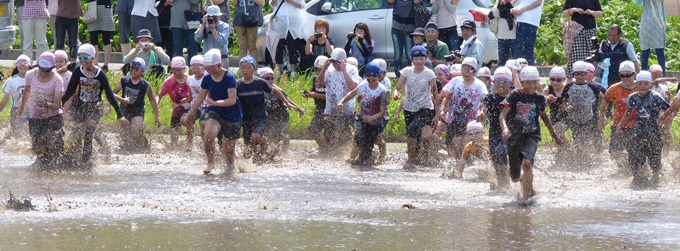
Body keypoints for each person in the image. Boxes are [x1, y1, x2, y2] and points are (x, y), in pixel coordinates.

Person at [500, 66, 560, 203]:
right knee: (514, 178)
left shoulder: (539, 98)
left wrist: (554, 134)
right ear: (522, 82)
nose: (532, 86)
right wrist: (505, 129)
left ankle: (525, 200)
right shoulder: (514, 95)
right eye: (528, 83)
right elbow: (502, 116)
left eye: (535, 82)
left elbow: (544, 116)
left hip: (531, 136)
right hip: (513, 138)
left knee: (527, 163)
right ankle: (526, 183)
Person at [62, 44, 125, 167]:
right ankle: (73, 158)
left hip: (95, 107)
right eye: (80, 58)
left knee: (89, 134)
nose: (82, 61)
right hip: (80, 107)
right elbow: (70, 91)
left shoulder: (100, 75)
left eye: (85, 58)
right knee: (77, 133)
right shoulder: (77, 72)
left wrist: (120, 115)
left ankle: (86, 163)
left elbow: (110, 95)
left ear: (92, 58)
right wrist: (61, 105)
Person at [184, 49, 242, 175]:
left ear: (219, 65)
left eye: (212, 68)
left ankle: (230, 167)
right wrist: (190, 114)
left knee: (228, 150)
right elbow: (200, 97)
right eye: (207, 68)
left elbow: (232, 100)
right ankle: (210, 162)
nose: (209, 71)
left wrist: (216, 102)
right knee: (209, 133)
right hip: (215, 111)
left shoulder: (229, 77)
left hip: (232, 114)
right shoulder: (207, 78)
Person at [616, 71, 669, 189]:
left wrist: (666, 127)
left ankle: (656, 176)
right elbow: (628, 112)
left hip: (654, 130)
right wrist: (620, 126)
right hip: (639, 130)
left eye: (646, 83)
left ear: (650, 84)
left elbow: (668, 111)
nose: (643, 86)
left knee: (654, 155)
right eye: (640, 84)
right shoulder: (633, 97)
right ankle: (638, 177)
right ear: (636, 84)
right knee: (635, 154)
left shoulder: (656, 96)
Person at [14, 52, 64, 168]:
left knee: (55, 144)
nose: (43, 72)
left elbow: (57, 105)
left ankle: (56, 165)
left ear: (52, 68)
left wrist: (46, 104)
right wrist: (21, 108)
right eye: (41, 69)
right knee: (37, 144)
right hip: (35, 113)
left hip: (53, 115)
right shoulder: (30, 74)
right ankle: (41, 164)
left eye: (46, 70)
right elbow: (27, 91)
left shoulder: (57, 79)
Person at [237, 56, 291, 162]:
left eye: (249, 67)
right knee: (248, 143)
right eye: (243, 67)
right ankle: (258, 154)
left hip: (260, 116)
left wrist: (287, 102)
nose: (246, 70)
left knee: (255, 136)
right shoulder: (237, 84)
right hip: (245, 118)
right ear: (240, 69)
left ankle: (263, 150)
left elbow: (275, 91)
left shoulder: (260, 83)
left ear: (255, 69)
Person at [393, 46, 439, 169]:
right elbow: (397, 87)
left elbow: (435, 93)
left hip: (425, 107)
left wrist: (437, 114)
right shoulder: (406, 71)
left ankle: (411, 160)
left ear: (425, 59)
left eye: (421, 59)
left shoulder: (429, 73)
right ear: (412, 59)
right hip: (409, 108)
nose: (419, 61)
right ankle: (417, 157)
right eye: (416, 59)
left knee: (413, 130)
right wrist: (396, 93)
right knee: (413, 136)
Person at [337, 62, 388, 166]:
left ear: (379, 76)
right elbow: (352, 93)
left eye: (374, 75)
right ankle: (354, 157)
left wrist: (370, 118)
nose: (371, 78)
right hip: (362, 117)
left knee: (372, 142)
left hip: (376, 121)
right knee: (358, 137)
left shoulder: (382, 91)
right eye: (369, 75)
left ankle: (378, 155)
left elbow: (382, 112)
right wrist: (341, 102)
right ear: (365, 76)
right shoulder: (364, 84)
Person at [440, 57, 487, 158]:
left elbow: (484, 100)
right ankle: (455, 167)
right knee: (453, 146)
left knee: (464, 146)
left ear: (474, 71)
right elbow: (447, 96)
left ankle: (467, 167)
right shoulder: (455, 81)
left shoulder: (479, 85)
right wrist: (442, 109)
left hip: (471, 121)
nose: (465, 72)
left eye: (469, 70)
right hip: (454, 118)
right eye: (463, 69)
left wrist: (482, 111)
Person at [475, 66, 513, 190]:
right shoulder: (490, 97)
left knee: (502, 152)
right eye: (498, 81)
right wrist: (482, 114)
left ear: (511, 83)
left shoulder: (514, 97)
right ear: (493, 82)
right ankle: (500, 184)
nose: (501, 84)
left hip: (510, 133)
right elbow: (484, 107)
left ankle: (505, 186)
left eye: (505, 81)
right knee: (496, 160)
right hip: (494, 133)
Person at [316, 48, 362, 149]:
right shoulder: (329, 69)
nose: (335, 65)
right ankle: (329, 154)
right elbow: (318, 85)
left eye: (337, 63)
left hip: (347, 110)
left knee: (344, 135)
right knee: (328, 135)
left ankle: (344, 154)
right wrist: (324, 68)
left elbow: (353, 88)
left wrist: (344, 70)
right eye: (333, 62)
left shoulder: (352, 69)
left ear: (343, 61)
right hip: (330, 109)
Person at [112, 58, 161, 151]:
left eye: (136, 69)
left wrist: (156, 117)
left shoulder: (145, 84)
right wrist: (110, 105)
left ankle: (142, 145)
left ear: (142, 71)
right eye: (131, 68)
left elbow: (153, 101)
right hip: (124, 110)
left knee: (135, 129)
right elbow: (112, 94)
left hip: (138, 111)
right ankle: (127, 146)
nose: (133, 71)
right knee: (124, 132)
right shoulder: (124, 80)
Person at [598, 61, 638, 174]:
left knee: (635, 150)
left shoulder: (640, 87)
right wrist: (602, 117)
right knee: (614, 152)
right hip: (618, 124)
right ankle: (624, 168)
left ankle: (635, 168)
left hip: (636, 124)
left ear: (634, 74)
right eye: (622, 75)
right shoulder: (614, 88)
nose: (625, 78)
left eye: (628, 75)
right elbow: (605, 103)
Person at [259, 67, 304, 158]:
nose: (270, 80)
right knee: (267, 134)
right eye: (267, 78)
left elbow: (288, 100)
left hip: (281, 115)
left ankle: (283, 143)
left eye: (272, 78)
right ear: (261, 79)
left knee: (274, 132)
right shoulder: (258, 89)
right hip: (269, 114)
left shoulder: (277, 90)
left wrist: (299, 109)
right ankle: (271, 152)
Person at [561, 61, 604, 153]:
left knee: (584, 138)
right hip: (574, 118)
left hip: (589, 117)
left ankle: (588, 157)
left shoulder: (592, 86)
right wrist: (566, 106)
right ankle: (579, 157)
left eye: (582, 73)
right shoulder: (569, 86)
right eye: (577, 73)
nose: (579, 76)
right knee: (577, 138)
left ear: (586, 74)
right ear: (573, 74)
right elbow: (564, 100)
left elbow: (603, 98)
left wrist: (602, 111)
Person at [158, 57, 194, 148]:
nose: (177, 72)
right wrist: (156, 106)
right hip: (176, 108)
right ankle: (174, 145)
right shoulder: (169, 82)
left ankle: (189, 143)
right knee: (174, 128)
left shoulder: (190, 80)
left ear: (184, 69)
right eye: (174, 70)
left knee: (189, 123)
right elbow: (160, 95)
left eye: (179, 70)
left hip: (189, 108)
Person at [562, 0, 602, 77]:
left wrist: (591, 12)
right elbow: (565, 14)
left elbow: (600, 14)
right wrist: (574, 10)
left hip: (590, 31)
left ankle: (591, 76)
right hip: (576, 31)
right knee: (575, 57)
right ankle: (574, 76)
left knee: (592, 56)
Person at [302, 56, 332, 150]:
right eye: (317, 69)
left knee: (328, 133)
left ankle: (330, 149)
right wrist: (307, 94)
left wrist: (316, 95)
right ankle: (324, 148)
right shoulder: (315, 79)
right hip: (319, 109)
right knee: (313, 130)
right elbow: (312, 91)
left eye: (322, 69)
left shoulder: (330, 79)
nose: (319, 71)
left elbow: (332, 97)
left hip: (330, 109)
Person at [269, 0, 306, 74]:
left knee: (292, 46)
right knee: (279, 46)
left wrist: (290, 1)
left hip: (293, 22)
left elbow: (302, 5)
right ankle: (278, 70)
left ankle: (293, 71)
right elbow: (272, 4)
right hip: (279, 21)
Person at [0, 55, 32, 140]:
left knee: (31, 133)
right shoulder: (11, 80)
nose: (22, 64)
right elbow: (5, 98)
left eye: (25, 62)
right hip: (16, 109)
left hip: (32, 109)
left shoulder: (34, 78)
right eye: (19, 62)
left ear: (29, 65)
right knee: (17, 134)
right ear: (16, 65)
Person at [387, 0, 417, 78]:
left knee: (409, 54)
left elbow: (417, 2)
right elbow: (390, 1)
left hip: (409, 28)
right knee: (397, 54)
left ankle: (411, 75)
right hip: (396, 28)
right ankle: (398, 76)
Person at [510, 0, 544, 65]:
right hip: (520, 20)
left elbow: (538, 2)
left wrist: (522, 10)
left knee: (527, 50)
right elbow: (524, 3)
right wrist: (516, 9)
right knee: (517, 50)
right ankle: (519, 73)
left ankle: (530, 73)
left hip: (530, 22)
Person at [86, 0, 116, 72]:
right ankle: (96, 63)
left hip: (103, 8)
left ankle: (105, 65)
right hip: (93, 8)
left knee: (106, 39)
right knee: (95, 39)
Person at [543, 66, 568, 147]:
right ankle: (565, 149)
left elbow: (574, 103)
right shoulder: (548, 89)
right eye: (552, 79)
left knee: (557, 130)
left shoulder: (567, 89)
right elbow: (541, 105)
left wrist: (568, 105)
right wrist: (547, 101)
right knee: (556, 135)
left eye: (558, 80)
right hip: (554, 118)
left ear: (564, 80)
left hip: (567, 117)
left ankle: (566, 149)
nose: (555, 82)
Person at [372, 58, 391, 162]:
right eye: (375, 75)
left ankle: (383, 155)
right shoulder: (370, 79)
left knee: (377, 136)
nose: (377, 78)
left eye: (379, 75)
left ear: (385, 73)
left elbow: (387, 100)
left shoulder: (386, 82)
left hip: (382, 114)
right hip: (369, 112)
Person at [639, 0, 666, 74]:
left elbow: (662, 9)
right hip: (646, 22)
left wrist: (664, 21)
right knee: (645, 50)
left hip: (659, 23)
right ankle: (644, 75)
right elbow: (638, 1)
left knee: (660, 50)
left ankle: (662, 75)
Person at [491, 0, 516, 66]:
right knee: (502, 61)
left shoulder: (518, 1)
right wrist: (501, 5)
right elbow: (494, 13)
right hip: (502, 35)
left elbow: (518, 12)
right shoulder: (499, 1)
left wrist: (509, 7)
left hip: (516, 35)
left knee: (517, 60)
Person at [187, 55, 208, 136]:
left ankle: (204, 142)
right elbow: (190, 93)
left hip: (205, 105)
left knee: (203, 123)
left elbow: (207, 93)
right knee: (188, 120)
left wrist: (198, 90)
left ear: (204, 67)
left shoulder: (207, 78)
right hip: (194, 105)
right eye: (193, 68)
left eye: (198, 67)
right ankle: (189, 141)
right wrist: (186, 99)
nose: (196, 70)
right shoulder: (189, 79)